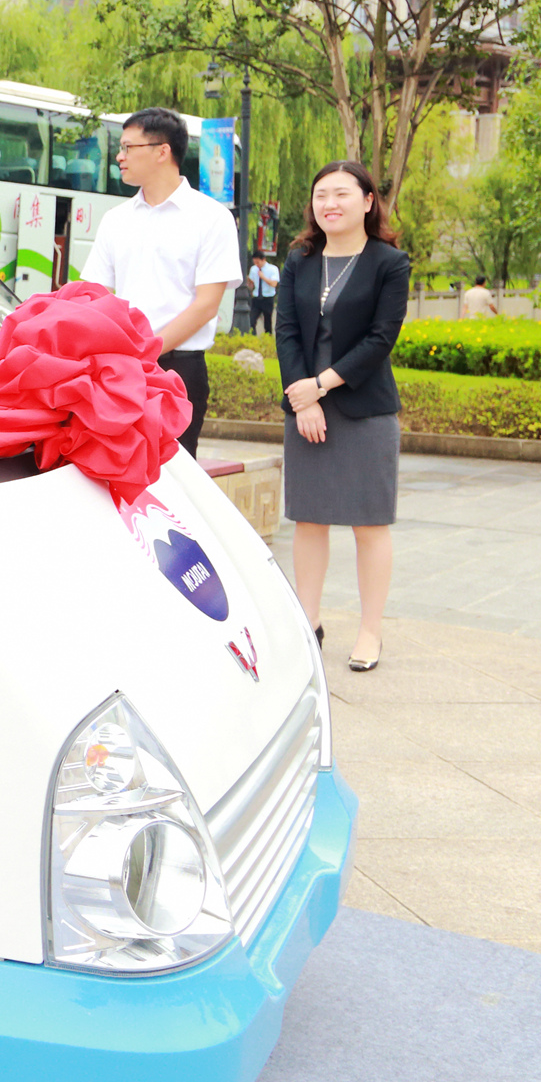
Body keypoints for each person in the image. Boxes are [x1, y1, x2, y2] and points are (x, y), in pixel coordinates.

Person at [276, 160, 409, 673]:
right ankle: (307, 624)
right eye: (321, 195)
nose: (329, 204)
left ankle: (370, 631)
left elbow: (380, 338)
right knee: (309, 520)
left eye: (341, 194)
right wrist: (304, 399)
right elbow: (287, 331)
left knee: (369, 525)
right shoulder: (299, 260)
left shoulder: (389, 263)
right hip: (305, 406)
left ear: (368, 201)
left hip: (364, 409)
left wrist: (321, 386)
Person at [80, 107, 244, 456]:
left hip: (178, 369)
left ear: (162, 151)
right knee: (114, 465)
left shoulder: (211, 218)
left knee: (173, 473)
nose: (119, 157)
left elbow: (206, 305)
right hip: (121, 367)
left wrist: (147, 349)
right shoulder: (116, 219)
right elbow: (95, 293)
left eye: (128, 147)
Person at [248, 254, 280, 333]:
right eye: (255, 262)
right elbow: (251, 282)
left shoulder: (272, 269)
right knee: (251, 321)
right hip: (256, 298)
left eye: (258, 262)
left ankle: (267, 337)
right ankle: (253, 337)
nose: (256, 265)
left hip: (268, 298)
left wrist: (263, 277)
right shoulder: (253, 269)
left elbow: (274, 284)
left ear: (263, 260)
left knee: (267, 322)